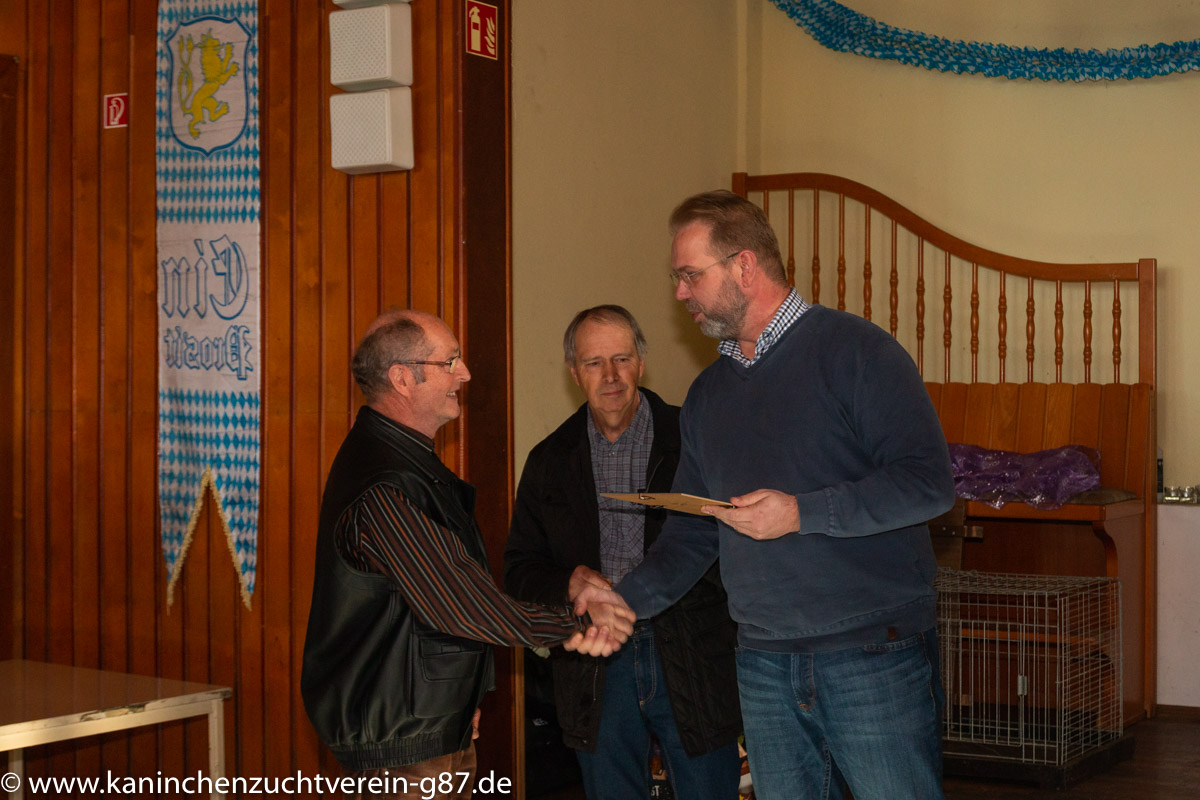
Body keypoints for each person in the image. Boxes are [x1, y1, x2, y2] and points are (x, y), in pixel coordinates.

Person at [612, 191, 957, 800]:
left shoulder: (859, 353)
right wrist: (623, 603)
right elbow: (694, 531)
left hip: (872, 655)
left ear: (744, 266)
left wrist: (801, 512)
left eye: (690, 276)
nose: (680, 294)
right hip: (763, 662)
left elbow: (927, 483)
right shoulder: (708, 396)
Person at [301, 310, 633, 800]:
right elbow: (461, 604)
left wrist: (457, 699)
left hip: (425, 729)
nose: (465, 374)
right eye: (450, 361)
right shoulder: (385, 484)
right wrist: (576, 624)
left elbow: (425, 610)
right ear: (402, 378)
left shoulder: (404, 458)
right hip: (401, 753)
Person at [504, 305, 742, 800]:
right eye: (593, 363)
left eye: (621, 359)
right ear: (574, 373)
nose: (610, 376)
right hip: (594, 662)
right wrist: (570, 580)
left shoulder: (693, 438)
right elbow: (520, 570)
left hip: (690, 654)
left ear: (642, 362)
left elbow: (729, 545)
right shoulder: (548, 460)